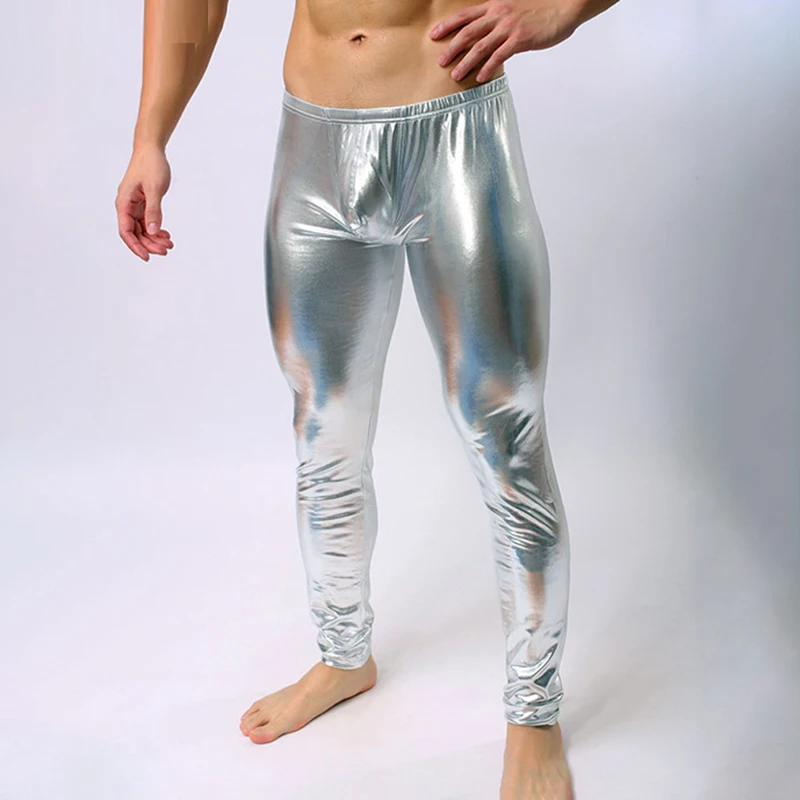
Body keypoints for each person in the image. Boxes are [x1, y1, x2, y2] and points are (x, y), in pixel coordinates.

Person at [115, 2, 621, 797]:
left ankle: (534, 712)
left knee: (504, 436)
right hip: (315, 145)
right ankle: (344, 656)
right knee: (325, 433)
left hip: (456, 137)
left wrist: (562, 9)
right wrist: (152, 134)